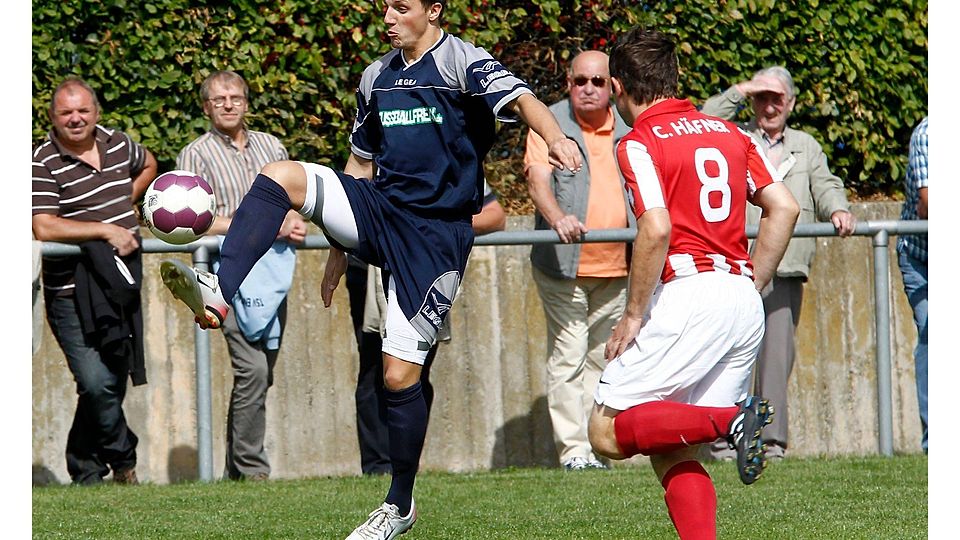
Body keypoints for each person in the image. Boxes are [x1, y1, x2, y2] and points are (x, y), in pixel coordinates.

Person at [158, 1, 581, 537]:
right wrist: (341, 242)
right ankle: (219, 290)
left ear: (433, 10)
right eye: (384, 7)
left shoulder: (462, 62)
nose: (388, 17)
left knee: (399, 376)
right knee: (280, 177)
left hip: (434, 236)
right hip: (379, 212)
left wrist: (557, 137)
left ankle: (399, 505)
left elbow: (523, 100)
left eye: (400, 7)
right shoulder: (376, 76)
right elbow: (360, 163)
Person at [586, 27, 799, 540]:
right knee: (673, 447)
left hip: (687, 295)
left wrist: (633, 314)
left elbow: (655, 226)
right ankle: (728, 426)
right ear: (675, 78)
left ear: (618, 86)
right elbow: (784, 206)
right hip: (739, 297)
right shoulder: (733, 134)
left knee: (605, 432)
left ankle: (731, 421)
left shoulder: (638, 142)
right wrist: (752, 285)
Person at [699, 66, 856, 460]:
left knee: (775, 356)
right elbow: (702, 120)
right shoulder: (732, 136)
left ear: (791, 103)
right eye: (761, 98)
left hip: (784, 266)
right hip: (733, 264)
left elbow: (825, 184)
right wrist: (743, 88)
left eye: (777, 98)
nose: (769, 106)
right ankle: (721, 436)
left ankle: (768, 443)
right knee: (726, 352)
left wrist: (837, 210)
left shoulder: (806, 145)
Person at [176, 70, 307, 481]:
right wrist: (256, 225)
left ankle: (239, 467)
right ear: (206, 107)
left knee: (262, 372)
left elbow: (295, 199)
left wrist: (292, 219)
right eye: (218, 99)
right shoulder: (194, 154)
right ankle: (252, 470)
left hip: (274, 273)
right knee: (252, 371)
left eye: (235, 97)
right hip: (224, 276)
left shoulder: (272, 146)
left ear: (247, 103)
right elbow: (190, 222)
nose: (228, 104)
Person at [32, 76, 158, 485]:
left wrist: (128, 197)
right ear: (52, 116)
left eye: (83, 110)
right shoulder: (41, 160)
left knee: (111, 381)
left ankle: (84, 469)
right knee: (95, 380)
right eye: (66, 112)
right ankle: (124, 462)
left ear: (96, 112)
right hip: (70, 290)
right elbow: (44, 227)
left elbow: (150, 162)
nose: (75, 119)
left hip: (120, 281)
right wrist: (103, 229)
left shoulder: (117, 142)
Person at [523, 50, 634, 471]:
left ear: (612, 86)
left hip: (619, 267)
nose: (588, 89)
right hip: (563, 269)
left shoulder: (628, 124)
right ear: (568, 83)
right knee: (568, 355)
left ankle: (596, 447)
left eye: (598, 82)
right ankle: (573, 453)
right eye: (579, 81)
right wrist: (557, 218)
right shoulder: (549, 123)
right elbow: (537, 179)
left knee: (603, 358)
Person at [348, 182, 505, 475]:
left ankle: (406, 464)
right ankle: (378, 467)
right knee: (374, 369)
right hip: (370, 271)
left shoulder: (453, 154)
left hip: (425, 269)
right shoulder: (375, 148)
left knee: (415, 371)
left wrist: (429, 225)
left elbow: (495, 215)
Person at [897, 116, 927, 454]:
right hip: (923, 256)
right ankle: (936, 441)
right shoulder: (929, 133)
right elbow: (928, 204)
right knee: (933, 334)